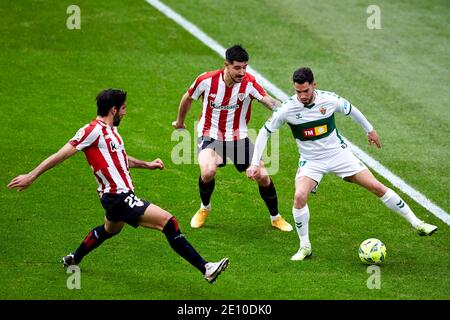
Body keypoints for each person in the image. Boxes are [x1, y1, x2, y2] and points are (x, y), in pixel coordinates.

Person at [7, 89, 229, 283]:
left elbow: (122, 159)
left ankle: (74, 258)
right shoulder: (91, 130)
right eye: (123, 108)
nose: (125, 112)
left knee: (109, 230)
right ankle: (206, 268)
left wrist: (148, 164)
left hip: (116, 197)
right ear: (113, 109)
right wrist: (32, 175)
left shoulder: (111, 133)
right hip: (117, 196)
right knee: (169, 223)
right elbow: (60, 155)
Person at [247, 67, 438, 261]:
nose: (302, 96)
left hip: (339, 155)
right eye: (298, 91)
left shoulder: (329, 100)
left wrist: (370, 130)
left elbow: (351, 109)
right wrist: (255, 163)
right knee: (299, 196)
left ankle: (417, 223)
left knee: (375, 186)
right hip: (311, 161)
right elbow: (264, 132)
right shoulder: (287, 109)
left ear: (314, 85)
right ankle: (305, 247)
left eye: (305, 91)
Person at [172, 44, 293, 232]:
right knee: (207, 171)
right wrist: (180, 122)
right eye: (237, 67)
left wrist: (286, 110)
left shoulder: (249, 82)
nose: (242, 72)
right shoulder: (206, 80)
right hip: (210, 135)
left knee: (262, 175)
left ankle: (275, 217)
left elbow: (268, 100)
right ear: (226, 65)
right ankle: (205, 208)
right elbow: (187, 97)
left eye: (245, 67)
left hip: (238, 137)